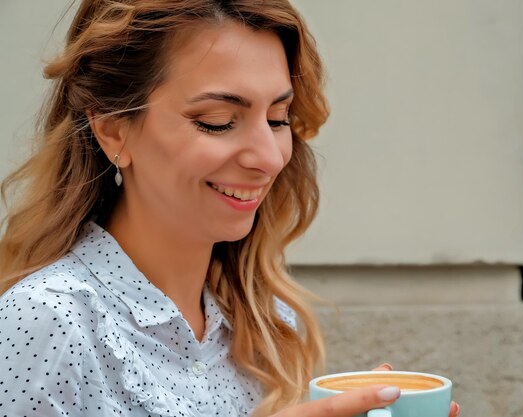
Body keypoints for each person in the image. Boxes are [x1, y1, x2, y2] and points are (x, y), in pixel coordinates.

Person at [0, 1, 460, 416]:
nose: (268, 156)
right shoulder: (49, 320)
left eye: (278, 118)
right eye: (217, 122)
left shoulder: (268, 323)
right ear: (113, 131)